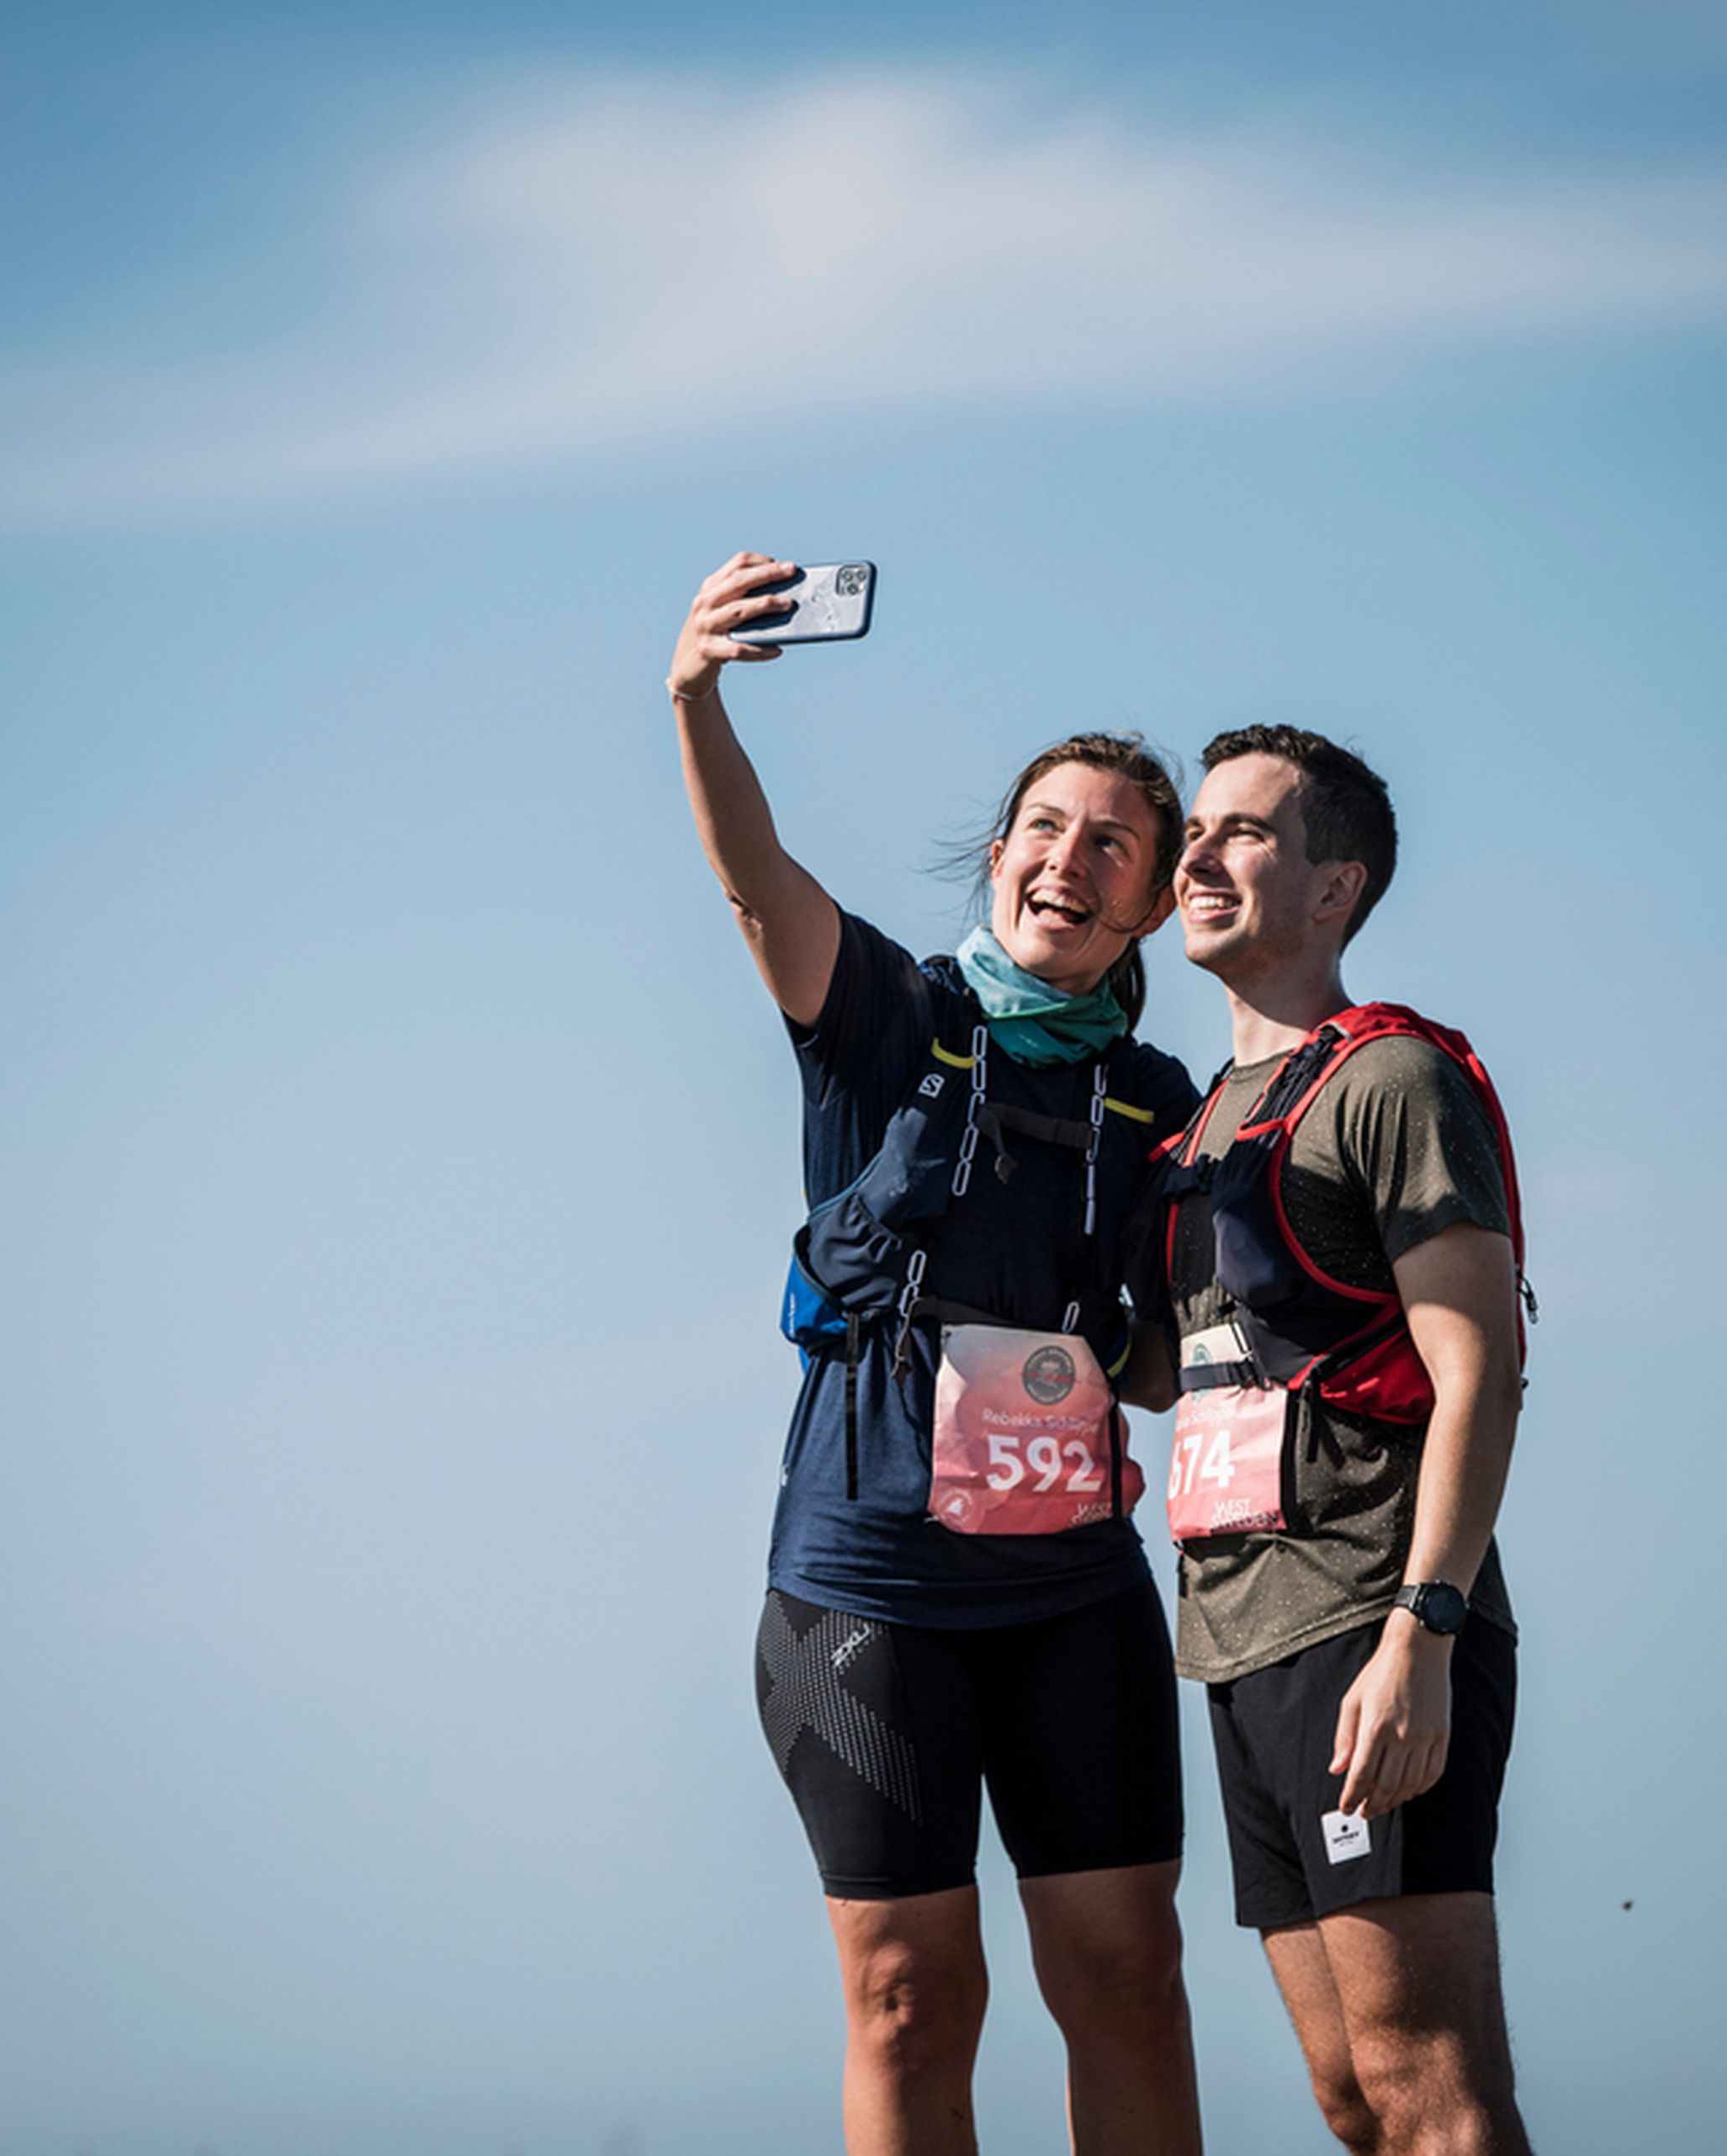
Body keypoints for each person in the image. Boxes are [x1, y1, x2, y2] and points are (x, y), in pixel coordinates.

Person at [668, 553, 1207, 2156]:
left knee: (1129, 1977)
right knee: (912, 1994)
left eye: (1112, 843)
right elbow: (754, 879)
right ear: (998, 858)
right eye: (1045, 827)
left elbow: (1175, 1360)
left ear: (1152, 903)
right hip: (870, 1586)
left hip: (1073, 1589)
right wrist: (695, 696)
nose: (1070, 858)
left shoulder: (1161, 1101)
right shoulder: (886, 1017)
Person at [1158, 726, 1535, 2156]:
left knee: (1428, 2087)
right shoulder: (1201, 1123)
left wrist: (1424, 1629)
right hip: (1238, 1642)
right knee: (1353, 2099)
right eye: (1196, 830)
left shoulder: (1388, 1083)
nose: (1198, 855)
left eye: (1244, 833)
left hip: (1371, 1629)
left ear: (1335, 886)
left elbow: (1481, 1366)